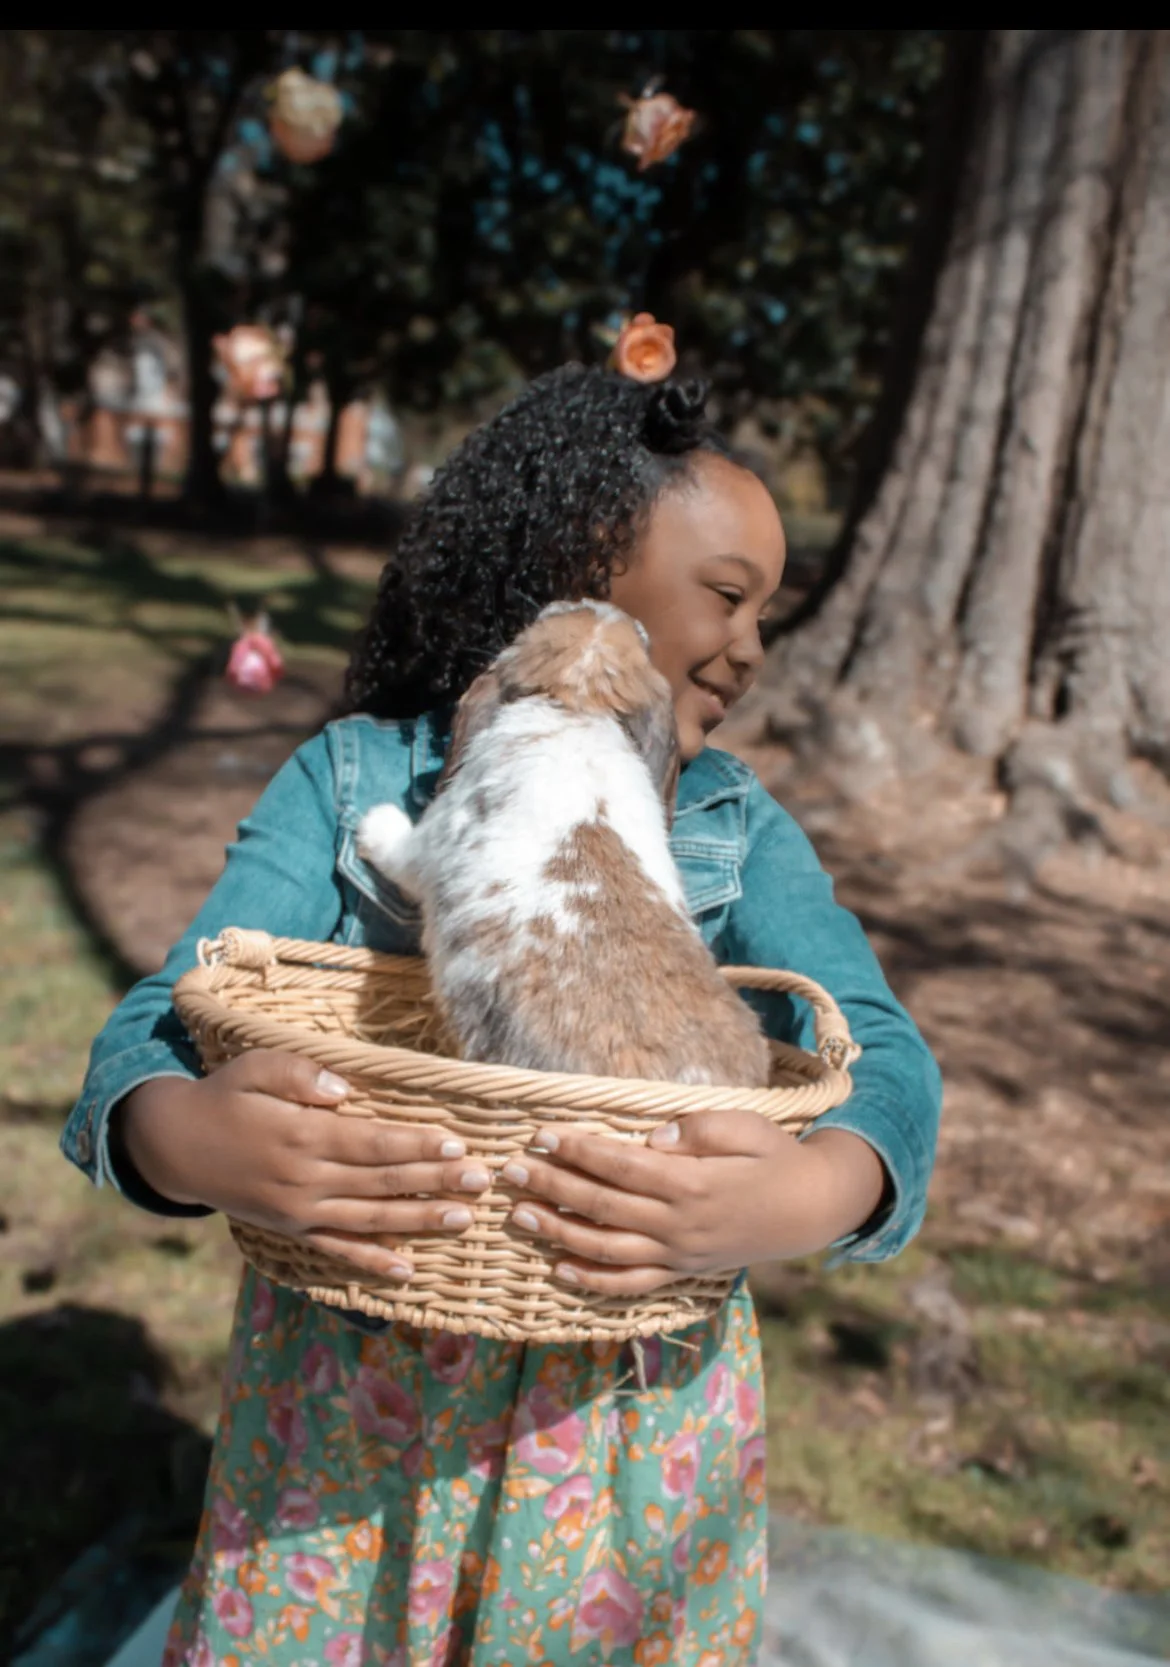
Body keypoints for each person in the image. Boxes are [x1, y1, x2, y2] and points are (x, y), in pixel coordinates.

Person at [61, 353, 942, 1667]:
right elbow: (162, 1018)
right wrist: (182, 1136)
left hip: (611, 1429)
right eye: (725, 596)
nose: (752, 646)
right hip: (347, 1412)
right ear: (586, 568)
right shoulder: (358, 774)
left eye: (768, 609)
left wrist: (809, 1193)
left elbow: (883, 1058)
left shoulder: (726, 823)